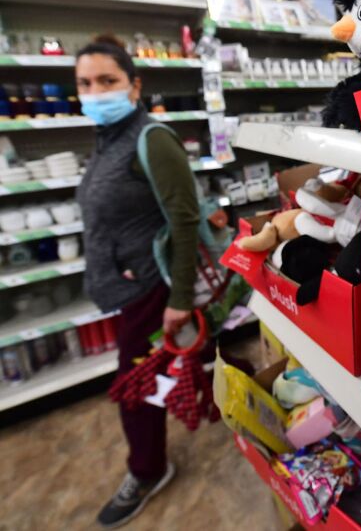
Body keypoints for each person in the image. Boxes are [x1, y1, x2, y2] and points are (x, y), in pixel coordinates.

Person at [74, 35, 200, 528]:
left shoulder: (153, 139)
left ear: (134, 85)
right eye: (85, 83)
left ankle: (148, 470)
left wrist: (180, 298)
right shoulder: (106, 139)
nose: (95, 91)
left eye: (107, 80)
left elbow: (184, 219)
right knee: (162, 375)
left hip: (152, 290)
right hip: (126, 286)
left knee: (136, 387)